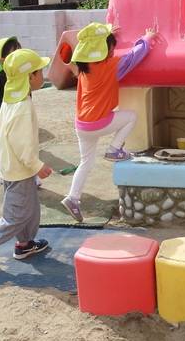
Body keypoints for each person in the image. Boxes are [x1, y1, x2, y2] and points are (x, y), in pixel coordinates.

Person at [61, 22, 156, 222]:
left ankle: (72, 198)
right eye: (110, 49)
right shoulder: (111, 66)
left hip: (82, 125)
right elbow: (134, 56)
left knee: (85, 163)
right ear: (101, 51)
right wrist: (146, 38)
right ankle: (114, 149)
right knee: (131, 116)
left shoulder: (84, 68)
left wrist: (108, 33)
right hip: (99, 122)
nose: (112, 53)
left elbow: (94, 42)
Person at [0, 48, 53, 269]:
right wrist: (37, 165)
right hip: (19, 168)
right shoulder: (23, 107)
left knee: (30, 209)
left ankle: (24, 244)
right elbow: (22, 143)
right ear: (30, 77)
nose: (42, 75)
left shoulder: (11, 99)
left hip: (13, 166)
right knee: (17, 214)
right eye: (40, 71)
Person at [0, 35, 20, 117]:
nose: (19, 56)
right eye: (14, 54)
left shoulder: (21, 73)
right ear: (3, 59)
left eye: (19, 52)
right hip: (8, 117)